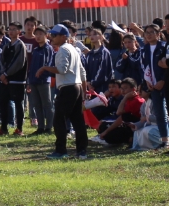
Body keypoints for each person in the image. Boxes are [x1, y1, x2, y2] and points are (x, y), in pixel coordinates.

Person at [41, 24, 89, 159]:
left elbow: (62, 70)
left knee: (59, 120)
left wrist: (45, 68)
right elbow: (82, 72)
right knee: (78, 120)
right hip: (77, 85)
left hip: (68, 87)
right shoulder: (74, 49)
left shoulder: (62, 50)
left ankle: (61, 150)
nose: (52, 38)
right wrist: (84, 91)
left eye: (54, 35)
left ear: (63, 37)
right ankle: (82, 150)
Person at [135, 23, 169, 150]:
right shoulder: (144, 49)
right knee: (160, 113)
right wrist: (147, 82)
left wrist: (162, 81)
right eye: (146, 33)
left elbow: (166, 66)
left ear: (158, 34)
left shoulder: (164, 47)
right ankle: (165, 140)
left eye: (151, 32)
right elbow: (143, 67)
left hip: (164, 83)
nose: (148, 35)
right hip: (152, 86)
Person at [92, 78, 144, 146]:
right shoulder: (126, 99)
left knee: (107, 130)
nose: (123, 91)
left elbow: (119, 113)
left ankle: (131, 139)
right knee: (104, 127)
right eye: (121, 88)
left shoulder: (136, 100)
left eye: (125, 88)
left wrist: (125, 98)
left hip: (136, 127)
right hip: (129, 125)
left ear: (133, 89)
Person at [0, 22, 29, 136]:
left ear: (19, 32)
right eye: (9, 29)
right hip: (6, 80)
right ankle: (4, 128)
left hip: (17, 80)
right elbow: (1, 61)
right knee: (3, 103)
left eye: (14, 29)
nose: (11, 31)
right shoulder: (6, 46)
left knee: (18, 104)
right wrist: (3, 74)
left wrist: (6, 74)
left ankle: (19, 128)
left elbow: (19, 63)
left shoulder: (20, 45)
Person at [27, 26, 55, 135]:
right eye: (36, 34)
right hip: (34, 81)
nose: (38, 36)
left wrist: (43, 76)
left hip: (44, 81)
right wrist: (30, 80)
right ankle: (40, 127)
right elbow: (32, 66)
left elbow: (49, 65)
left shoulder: (48, 49)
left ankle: (49, 127)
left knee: (47, 104)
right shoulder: (35, 49)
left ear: (46, 35)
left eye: (40, 34)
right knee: (36, 104)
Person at [82, 27, 114, 96]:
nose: (91, 37)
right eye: (90, 35)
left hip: (102, 87)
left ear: (100, 36)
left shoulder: (104, 52)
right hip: (91, 88)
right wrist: (88, 82)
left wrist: (93, 83)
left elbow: (103, 70)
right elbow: (85, 69)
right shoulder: (90, 54)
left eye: (94, 34)